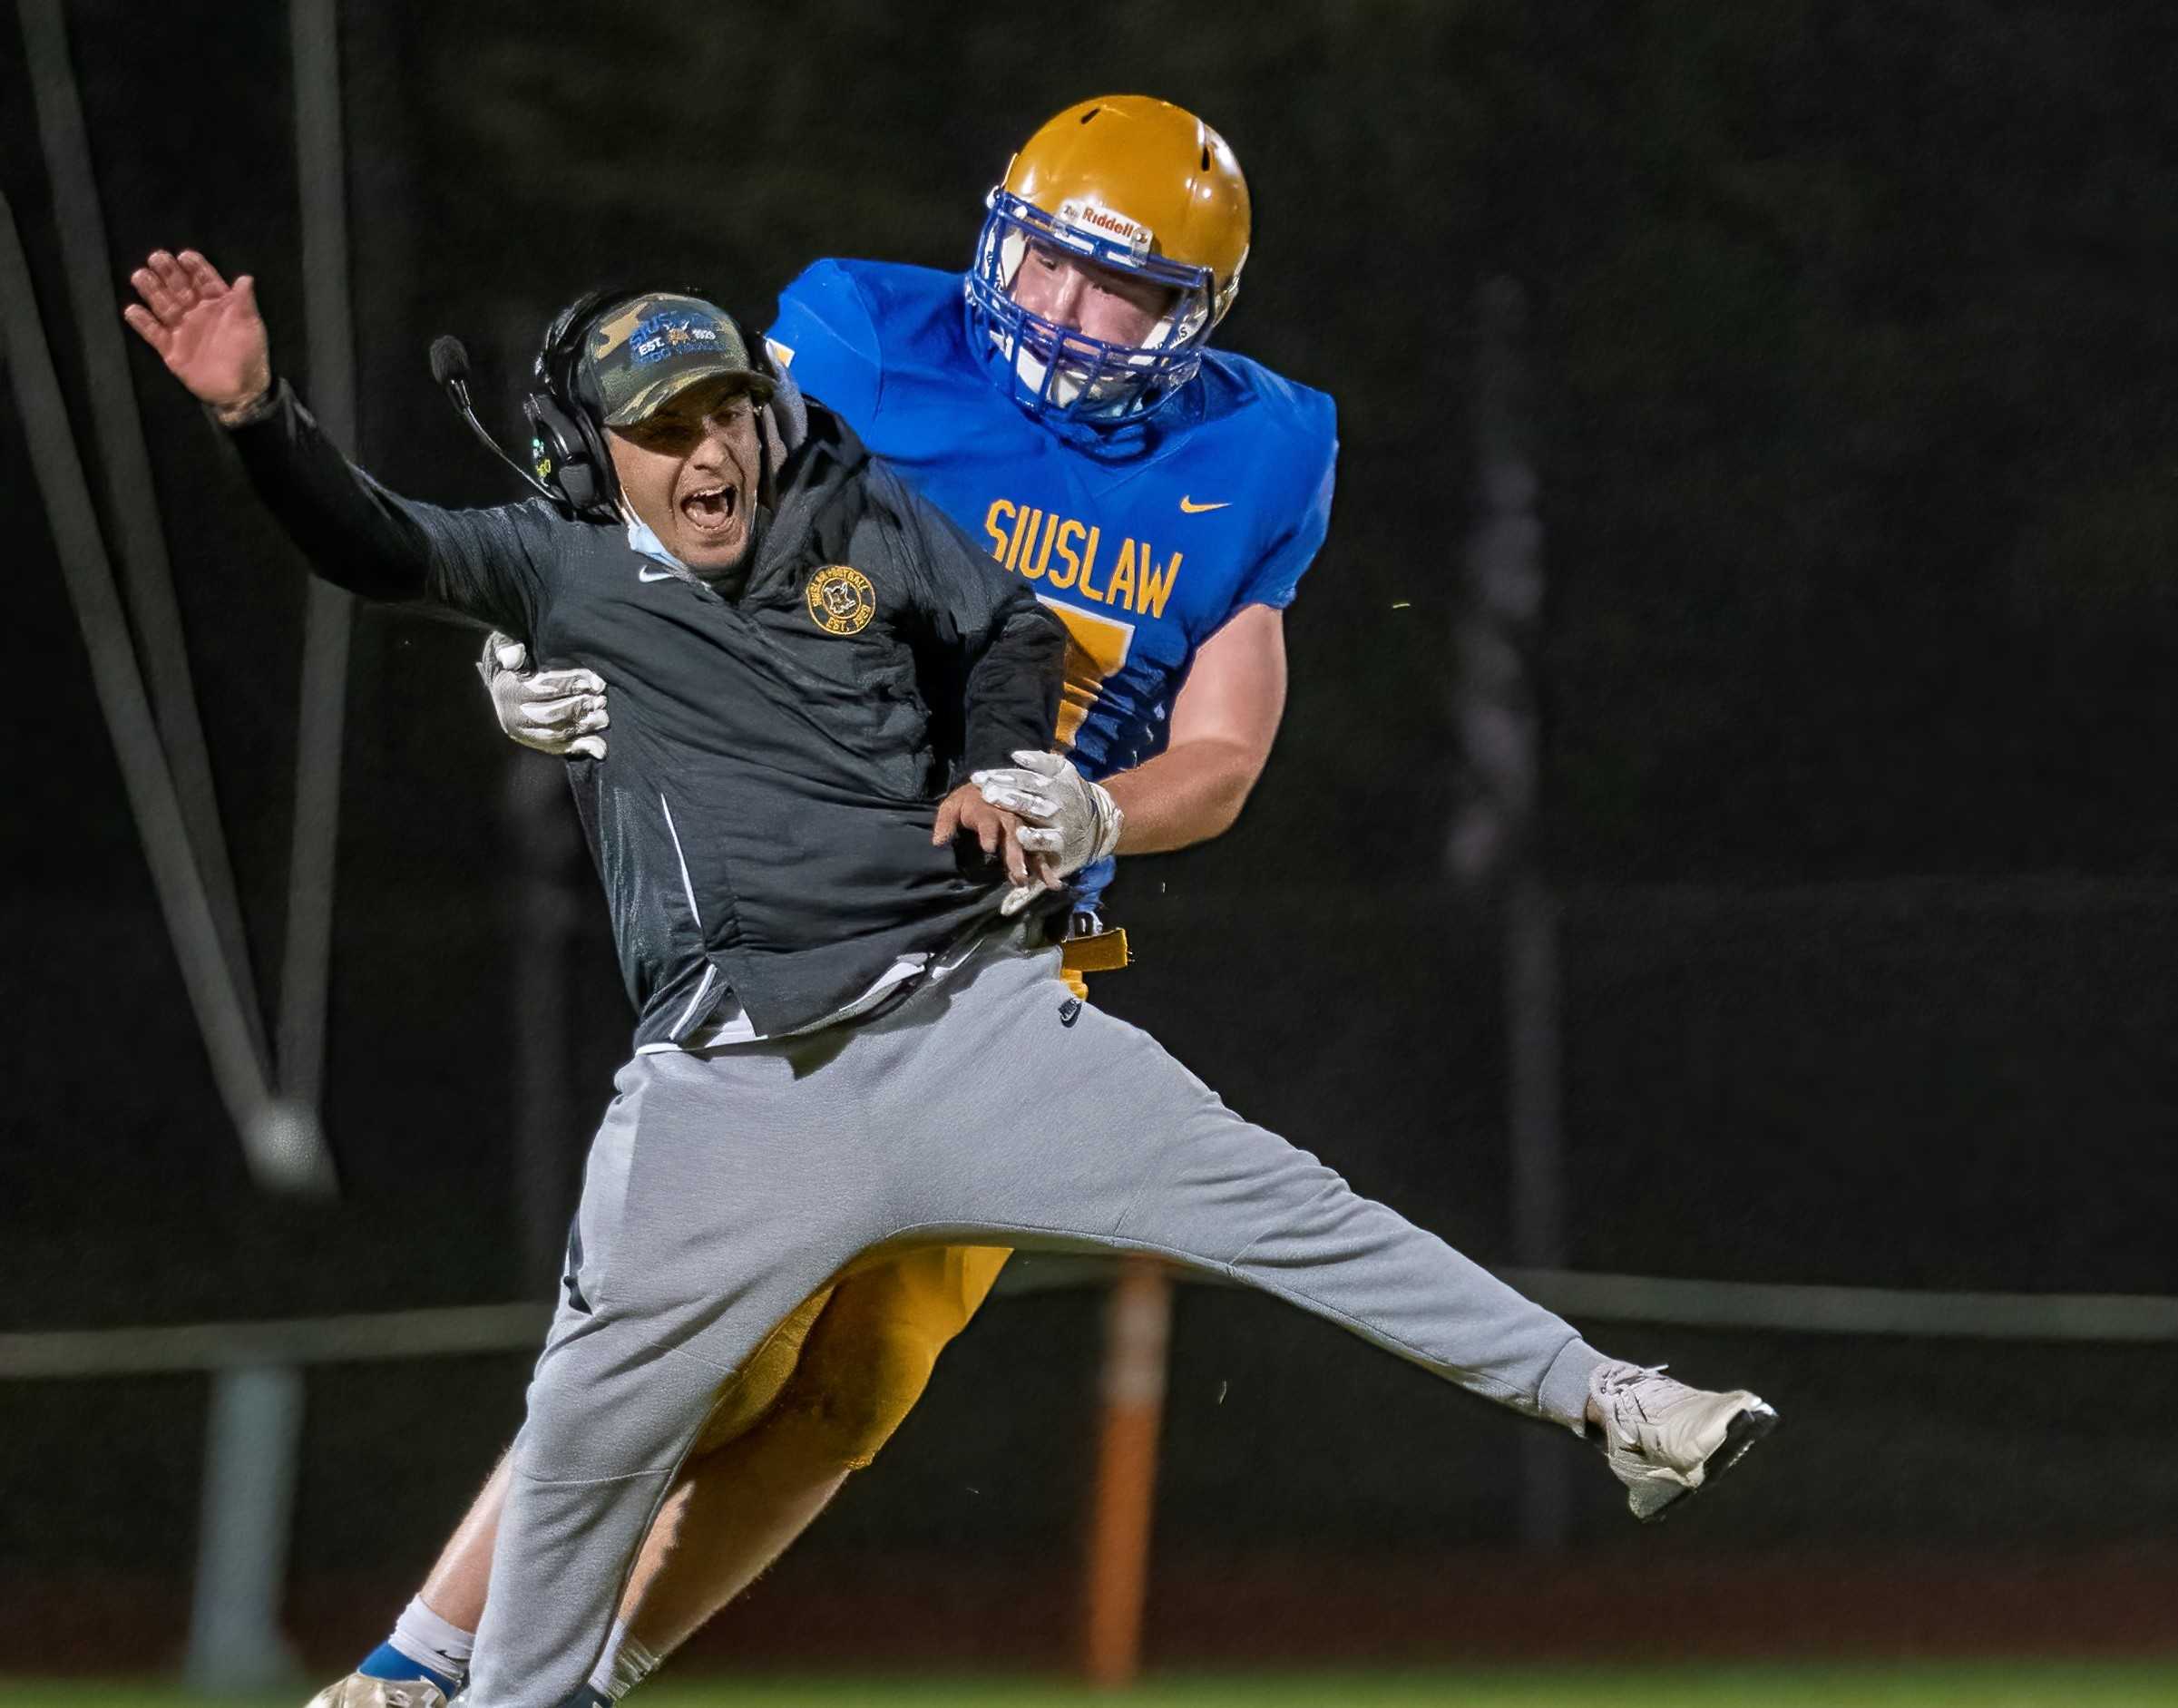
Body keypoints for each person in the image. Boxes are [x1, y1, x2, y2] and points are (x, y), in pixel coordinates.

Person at [126, 242, 1776, 1708]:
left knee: (1252, 1223)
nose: (710, 448)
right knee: (597, 1425)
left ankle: (1606, 1398)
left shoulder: (861, 501)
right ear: (590, 455)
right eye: (664, 426)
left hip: (976, 1004)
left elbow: (1013, 638)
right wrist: (268, 421)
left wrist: (1035, 779)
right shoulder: (585, 553)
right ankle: (444, 1677)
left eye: (725, 414)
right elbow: (374, 544)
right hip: (735, 1074)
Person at [337, 94, 1341, 1708]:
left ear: (1198, 314)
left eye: (1133, 292)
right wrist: (524, 644)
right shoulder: (860, 343)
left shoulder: (1263, 448)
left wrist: (1096, 802)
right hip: (817, 917)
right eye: (1062, 270)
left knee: (860, 1385)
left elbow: (1222, 757)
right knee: (704, 1346)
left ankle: (589, 1676)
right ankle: (408, 1673)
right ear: (997, 238)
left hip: (1020, 952)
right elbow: (654, 512)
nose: (1081, 318)